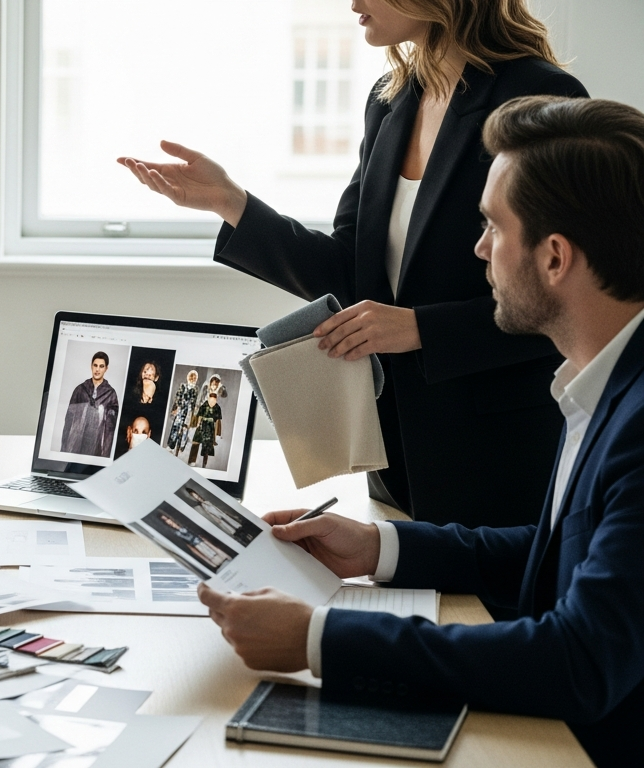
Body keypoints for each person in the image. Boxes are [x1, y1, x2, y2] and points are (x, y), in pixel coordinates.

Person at [197, 96, 644, 768]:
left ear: (555, 257)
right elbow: (561, 554)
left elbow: (578, 661)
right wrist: (377, 547)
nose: (479, 248)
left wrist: (318, 638)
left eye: (493, 226)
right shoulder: (605, 380)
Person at [119, 0, 587, 529]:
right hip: (395, 460)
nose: (353, 3)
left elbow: (568, 297)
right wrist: (232, 203)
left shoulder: (540, 96)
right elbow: (350, 272)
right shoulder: (392, 100)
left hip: (497, 458)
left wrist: (421, 329)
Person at [60, 352, 120, 457]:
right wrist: (64, 448)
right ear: (91, 366)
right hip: (76, 445)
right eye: (95, 365)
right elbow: (68, 420)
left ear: (106, 368)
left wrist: (105, 456)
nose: (97, 369)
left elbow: (110, 429)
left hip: (95, 448)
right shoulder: (80, 390)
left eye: (101, 366)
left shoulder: (110, 394)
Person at [169, 370, 200, 454]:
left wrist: (194, 411)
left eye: (195, 378)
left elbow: (195, 402)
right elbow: (177, 397)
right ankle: (171, 446)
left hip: (189, 411)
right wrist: (176, 408)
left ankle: (181, 446)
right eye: (191, 377)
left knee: (185, 429)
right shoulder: (183, 386)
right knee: (175, 427)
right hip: (180, 409)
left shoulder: (196, 389)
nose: (193, 379)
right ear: (188, 377)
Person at [188, 392, 222, 467]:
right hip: (201, 426)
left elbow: (218, 421)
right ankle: (192, 461)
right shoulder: (204, 405)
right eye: (211, 400)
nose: (212, 402)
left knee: (207, 446)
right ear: (208, 399)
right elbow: (199, 415)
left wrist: (217, 434)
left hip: (210, 428)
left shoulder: (217, 408)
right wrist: (197, 424)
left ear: (216, 400)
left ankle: (204, 463)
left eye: (214, 401)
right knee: (196, 443)